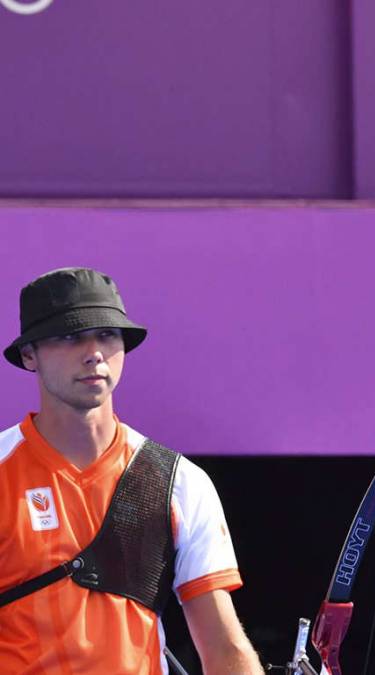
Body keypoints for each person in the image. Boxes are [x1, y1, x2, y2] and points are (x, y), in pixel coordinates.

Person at [0, 267, 263, 674]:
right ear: (29, 355)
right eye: (69, 336)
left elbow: (225, 649)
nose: (94, 353)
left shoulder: (179, 482)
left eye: (107, 335)